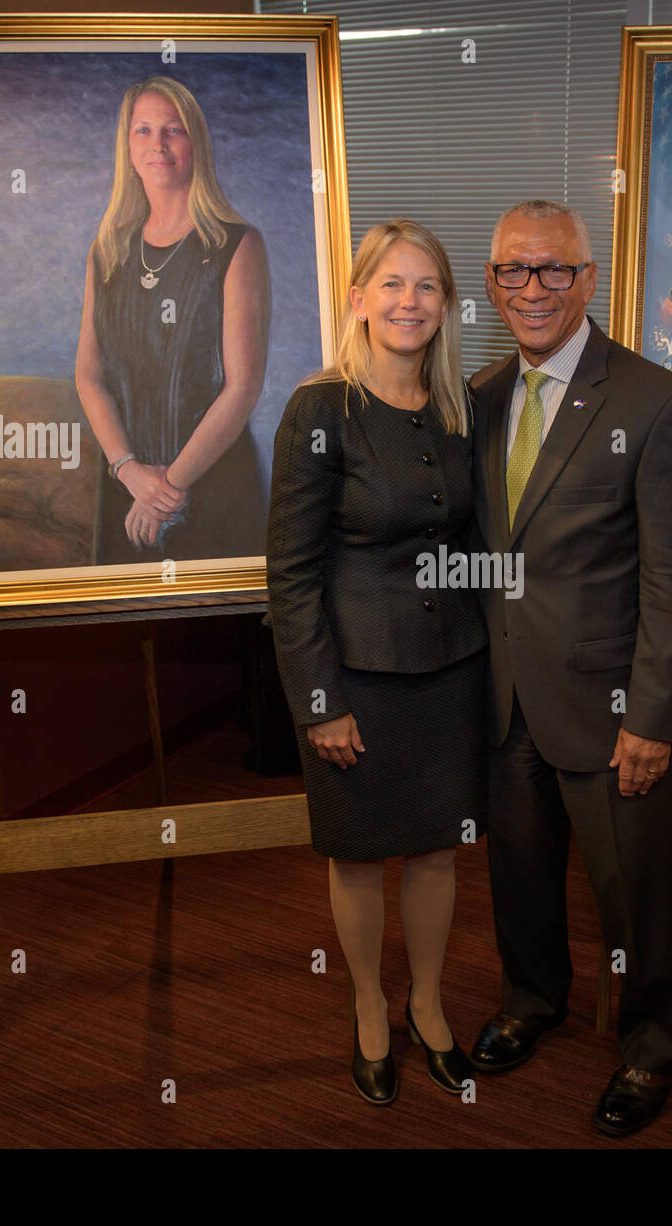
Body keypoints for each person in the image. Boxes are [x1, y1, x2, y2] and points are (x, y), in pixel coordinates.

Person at [468, 200, 672, 1137]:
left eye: (552, 271)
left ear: (589, 278)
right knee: (519, 877)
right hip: (506, 701)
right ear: (492, 284)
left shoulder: (657, 402)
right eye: (512, 272)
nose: (532, 290)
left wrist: (653, 714)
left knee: (636, 896)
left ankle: (652, 1047)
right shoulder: (483, 397)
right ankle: (533, 998)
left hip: (615, 712)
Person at [266, 220, 486, 1106]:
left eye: (426, 285)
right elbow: (290, 573)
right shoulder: (319, 410)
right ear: (358, 298)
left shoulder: (460, 406)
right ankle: (368, 1004)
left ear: (445, 303)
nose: (409, 301)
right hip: (352, 680)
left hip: (451, 671)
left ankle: (428, 1005)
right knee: (358, 855)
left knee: (437, 853)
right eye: (390, 284)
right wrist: (319, 701)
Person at [76, 75, 270, 564]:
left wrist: (170, 486)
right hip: (125, 490)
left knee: (220, 641)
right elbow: (89, 375)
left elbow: (242, 386)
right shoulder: (108, 253)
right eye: (143, 130)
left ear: (195, 143)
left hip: (214, 489)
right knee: (124, 640)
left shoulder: (236, 245)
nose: (157, 145)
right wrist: (130, 473)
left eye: (173, 129)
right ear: (127, 146)